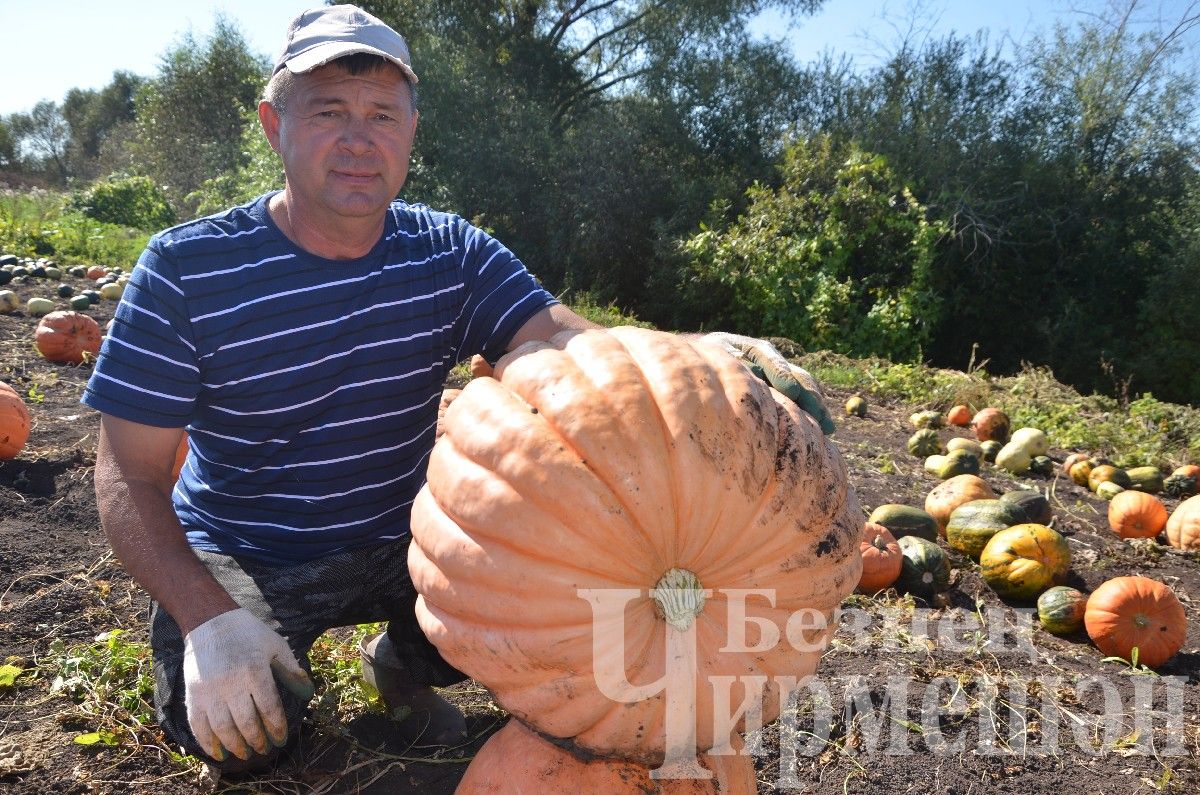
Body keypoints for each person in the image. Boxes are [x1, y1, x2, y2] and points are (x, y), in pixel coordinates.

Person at [82, 3, 833, 777]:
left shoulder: (447, 251)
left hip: (403, 542)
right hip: (248, 548)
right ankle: (245, 654)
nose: (357, 139)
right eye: (330, 111)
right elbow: (126, 474)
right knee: (239, 736)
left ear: (411, 131)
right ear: (276, 125)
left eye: (382, 114)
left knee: (555, 594)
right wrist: (209, 620)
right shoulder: (186, 270)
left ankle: (403, 664)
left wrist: (698, 357)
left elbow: (565, 343)